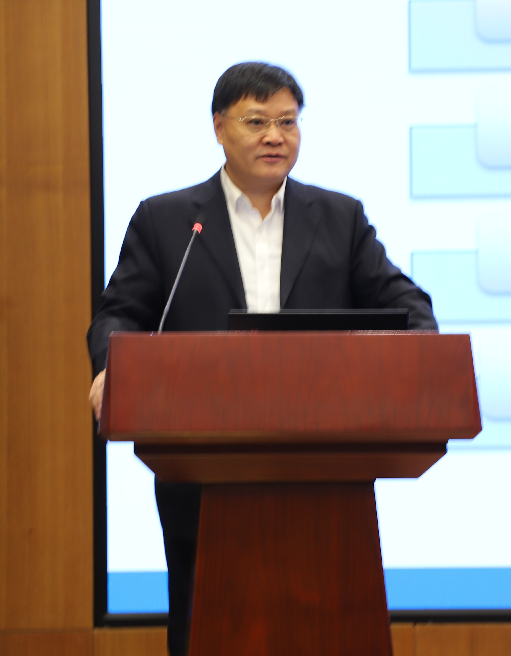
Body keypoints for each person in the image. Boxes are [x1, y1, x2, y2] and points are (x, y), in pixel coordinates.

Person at [88, 61, 438, 655]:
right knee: (205, 619)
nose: (275, 135)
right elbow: (119, 313)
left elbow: (404, 302)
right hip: (201, 458)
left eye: (287, 122)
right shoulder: (167, 220)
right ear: (219, 127)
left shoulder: (339, 217)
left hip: (322, 463)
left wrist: (423, 358)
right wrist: (109, 368)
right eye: (257, 121)